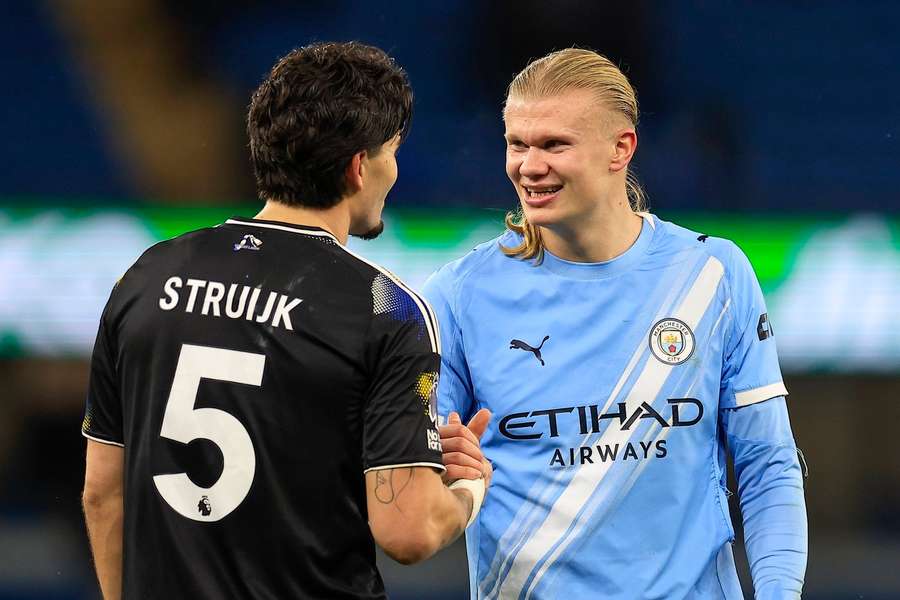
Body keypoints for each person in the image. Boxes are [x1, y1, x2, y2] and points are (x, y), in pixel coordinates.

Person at [80, 41, 490, 600]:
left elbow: (103, 494)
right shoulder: (383, 308)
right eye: (391, 152)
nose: (393, 172)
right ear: (357, 167)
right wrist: (465, 490)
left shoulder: (146, 277)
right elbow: (409, 531)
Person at [426, 48, 807, 599]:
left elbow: (768, 466)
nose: (529, 166)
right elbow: (421, 489)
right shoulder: (458, 295)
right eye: (517, 144)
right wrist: (442, 470)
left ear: (621, 147)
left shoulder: (711, 276)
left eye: (554, 144)